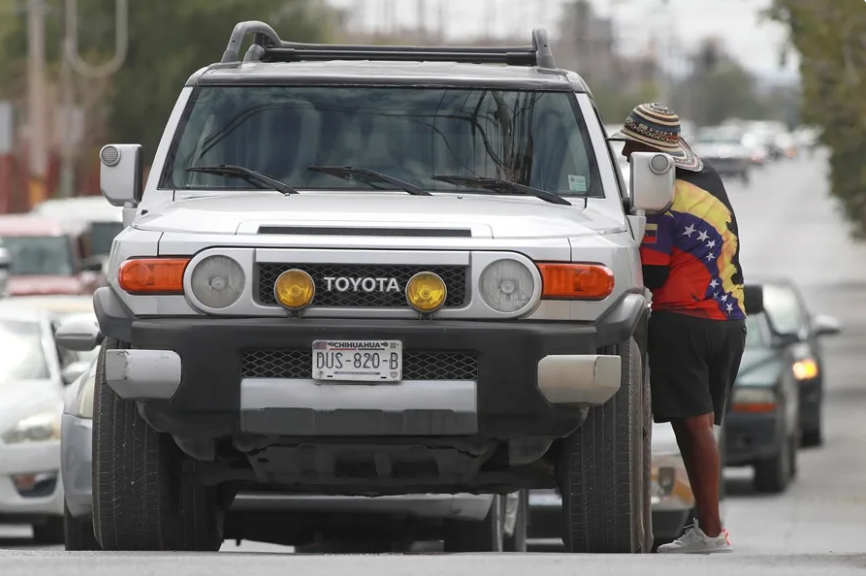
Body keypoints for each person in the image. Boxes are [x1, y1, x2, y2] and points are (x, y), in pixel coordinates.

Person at [610, 103, 747, 554]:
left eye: (631, 146)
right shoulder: (708, 180)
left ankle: (710, 532)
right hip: (728, 320)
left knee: (694, 427)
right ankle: (704, 527)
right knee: (699, 426)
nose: (627, 152)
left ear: (648, 151)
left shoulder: (660, 195)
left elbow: (652, 274)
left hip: (684, 319)